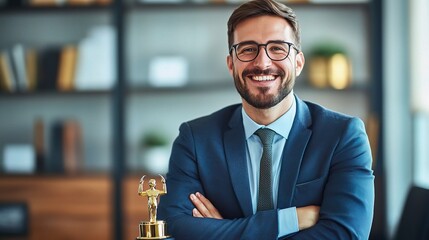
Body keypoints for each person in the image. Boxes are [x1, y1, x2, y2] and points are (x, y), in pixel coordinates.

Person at [158, 0, 374, 239]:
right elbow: (174, 226)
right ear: (231, 64)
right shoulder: (196, 139)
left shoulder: (344, 136)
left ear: (298, 62)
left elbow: (346, 234)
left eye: (278, 48)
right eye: (248, 49)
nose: (262, 63)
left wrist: (223, 231)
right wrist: (290, 219)